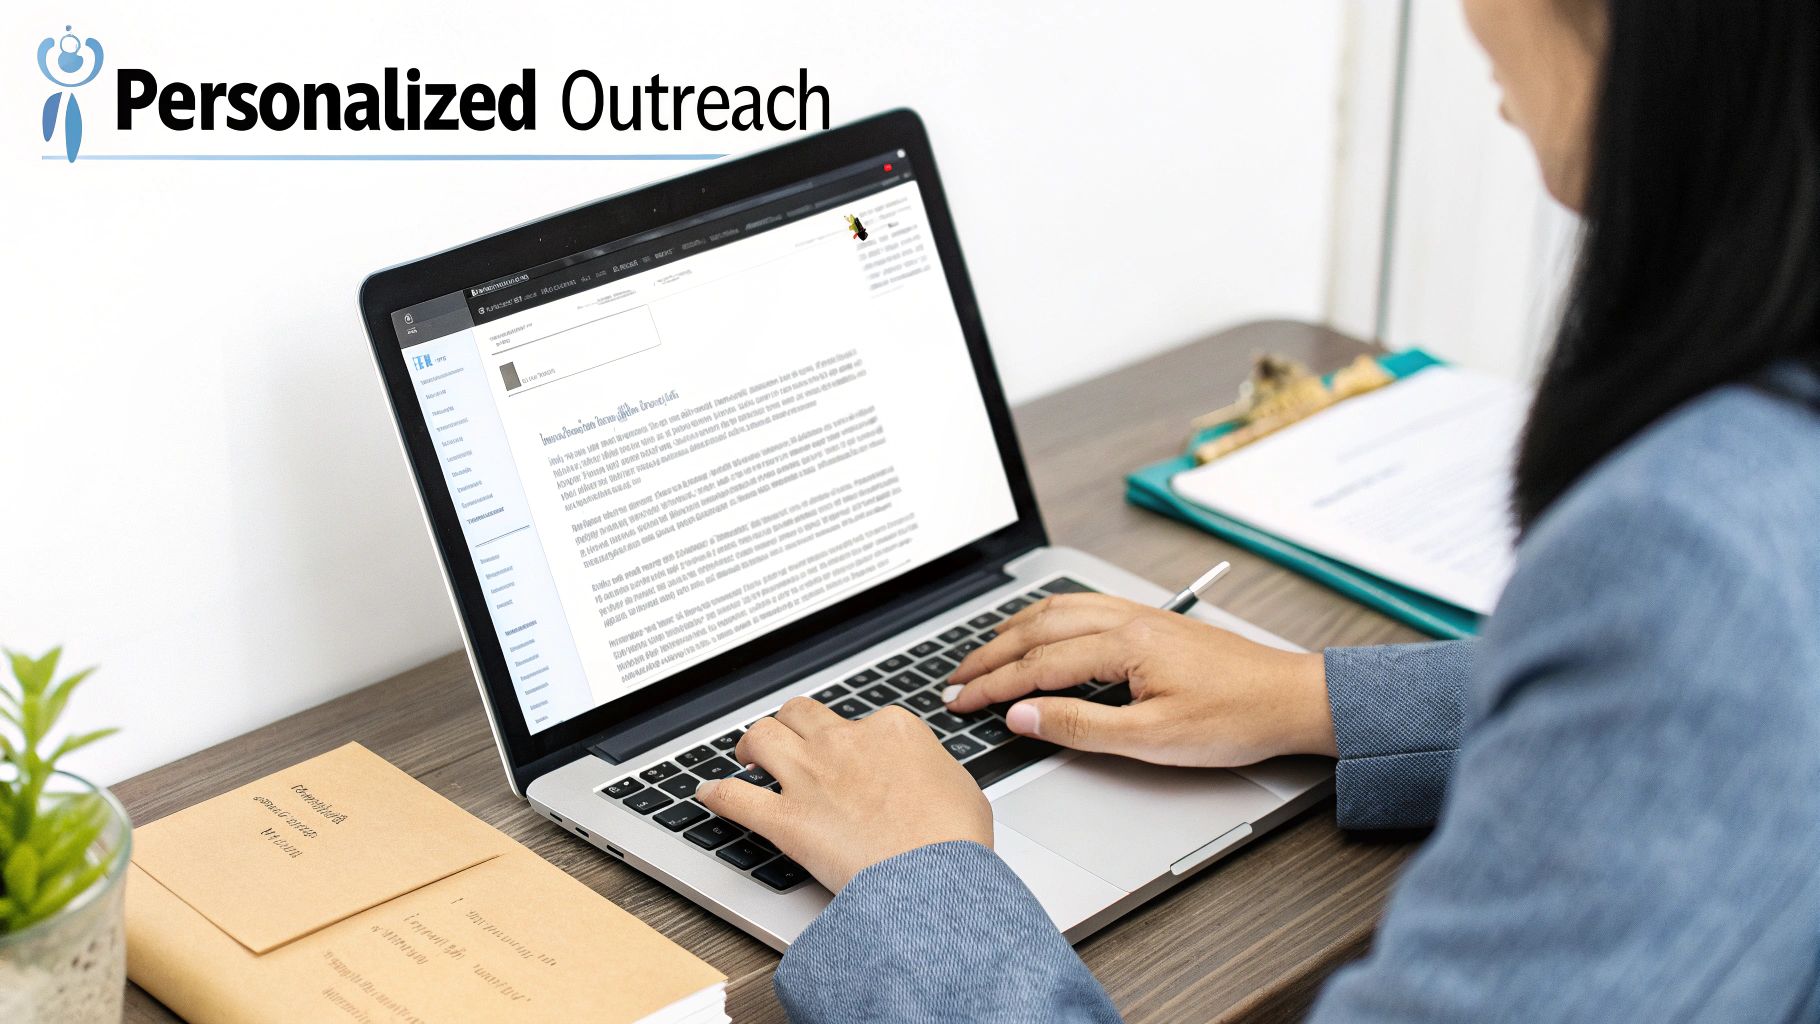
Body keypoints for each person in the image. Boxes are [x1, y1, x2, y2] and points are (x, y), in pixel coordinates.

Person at [696, 0, 1820, 1018]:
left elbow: (1688, 659)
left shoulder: (1686, 546)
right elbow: (1681, 712)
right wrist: (1312, 699)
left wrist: (917, 880)